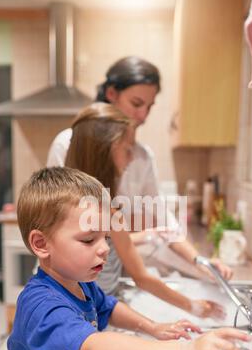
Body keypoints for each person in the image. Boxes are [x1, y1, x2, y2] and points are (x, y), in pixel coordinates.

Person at [0, 167, 249, 350]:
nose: (104, 248)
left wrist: (153, 327)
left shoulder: (80, 283)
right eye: (89, 239)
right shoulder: (41, 306)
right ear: (41, 244)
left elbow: (108, 307)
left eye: (106, 237)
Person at [47, 56, 232, 282]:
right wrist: (140, 238)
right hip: (65, 279)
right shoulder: (67, 145)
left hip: (109, 276)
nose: (143, 116)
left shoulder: (142, 157)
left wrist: (200, 261)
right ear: (112, 94)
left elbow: (163, 221)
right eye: (136, 104)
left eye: (149, 106)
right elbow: (59, 229)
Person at [65, 102, 224, 320]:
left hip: (88, 312)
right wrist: (194, 307)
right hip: (82, 319)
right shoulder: (104, 210)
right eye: (127, 149)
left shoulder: (79, 203)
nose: (131, 158)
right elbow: (142, 277)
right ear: (105, 151)